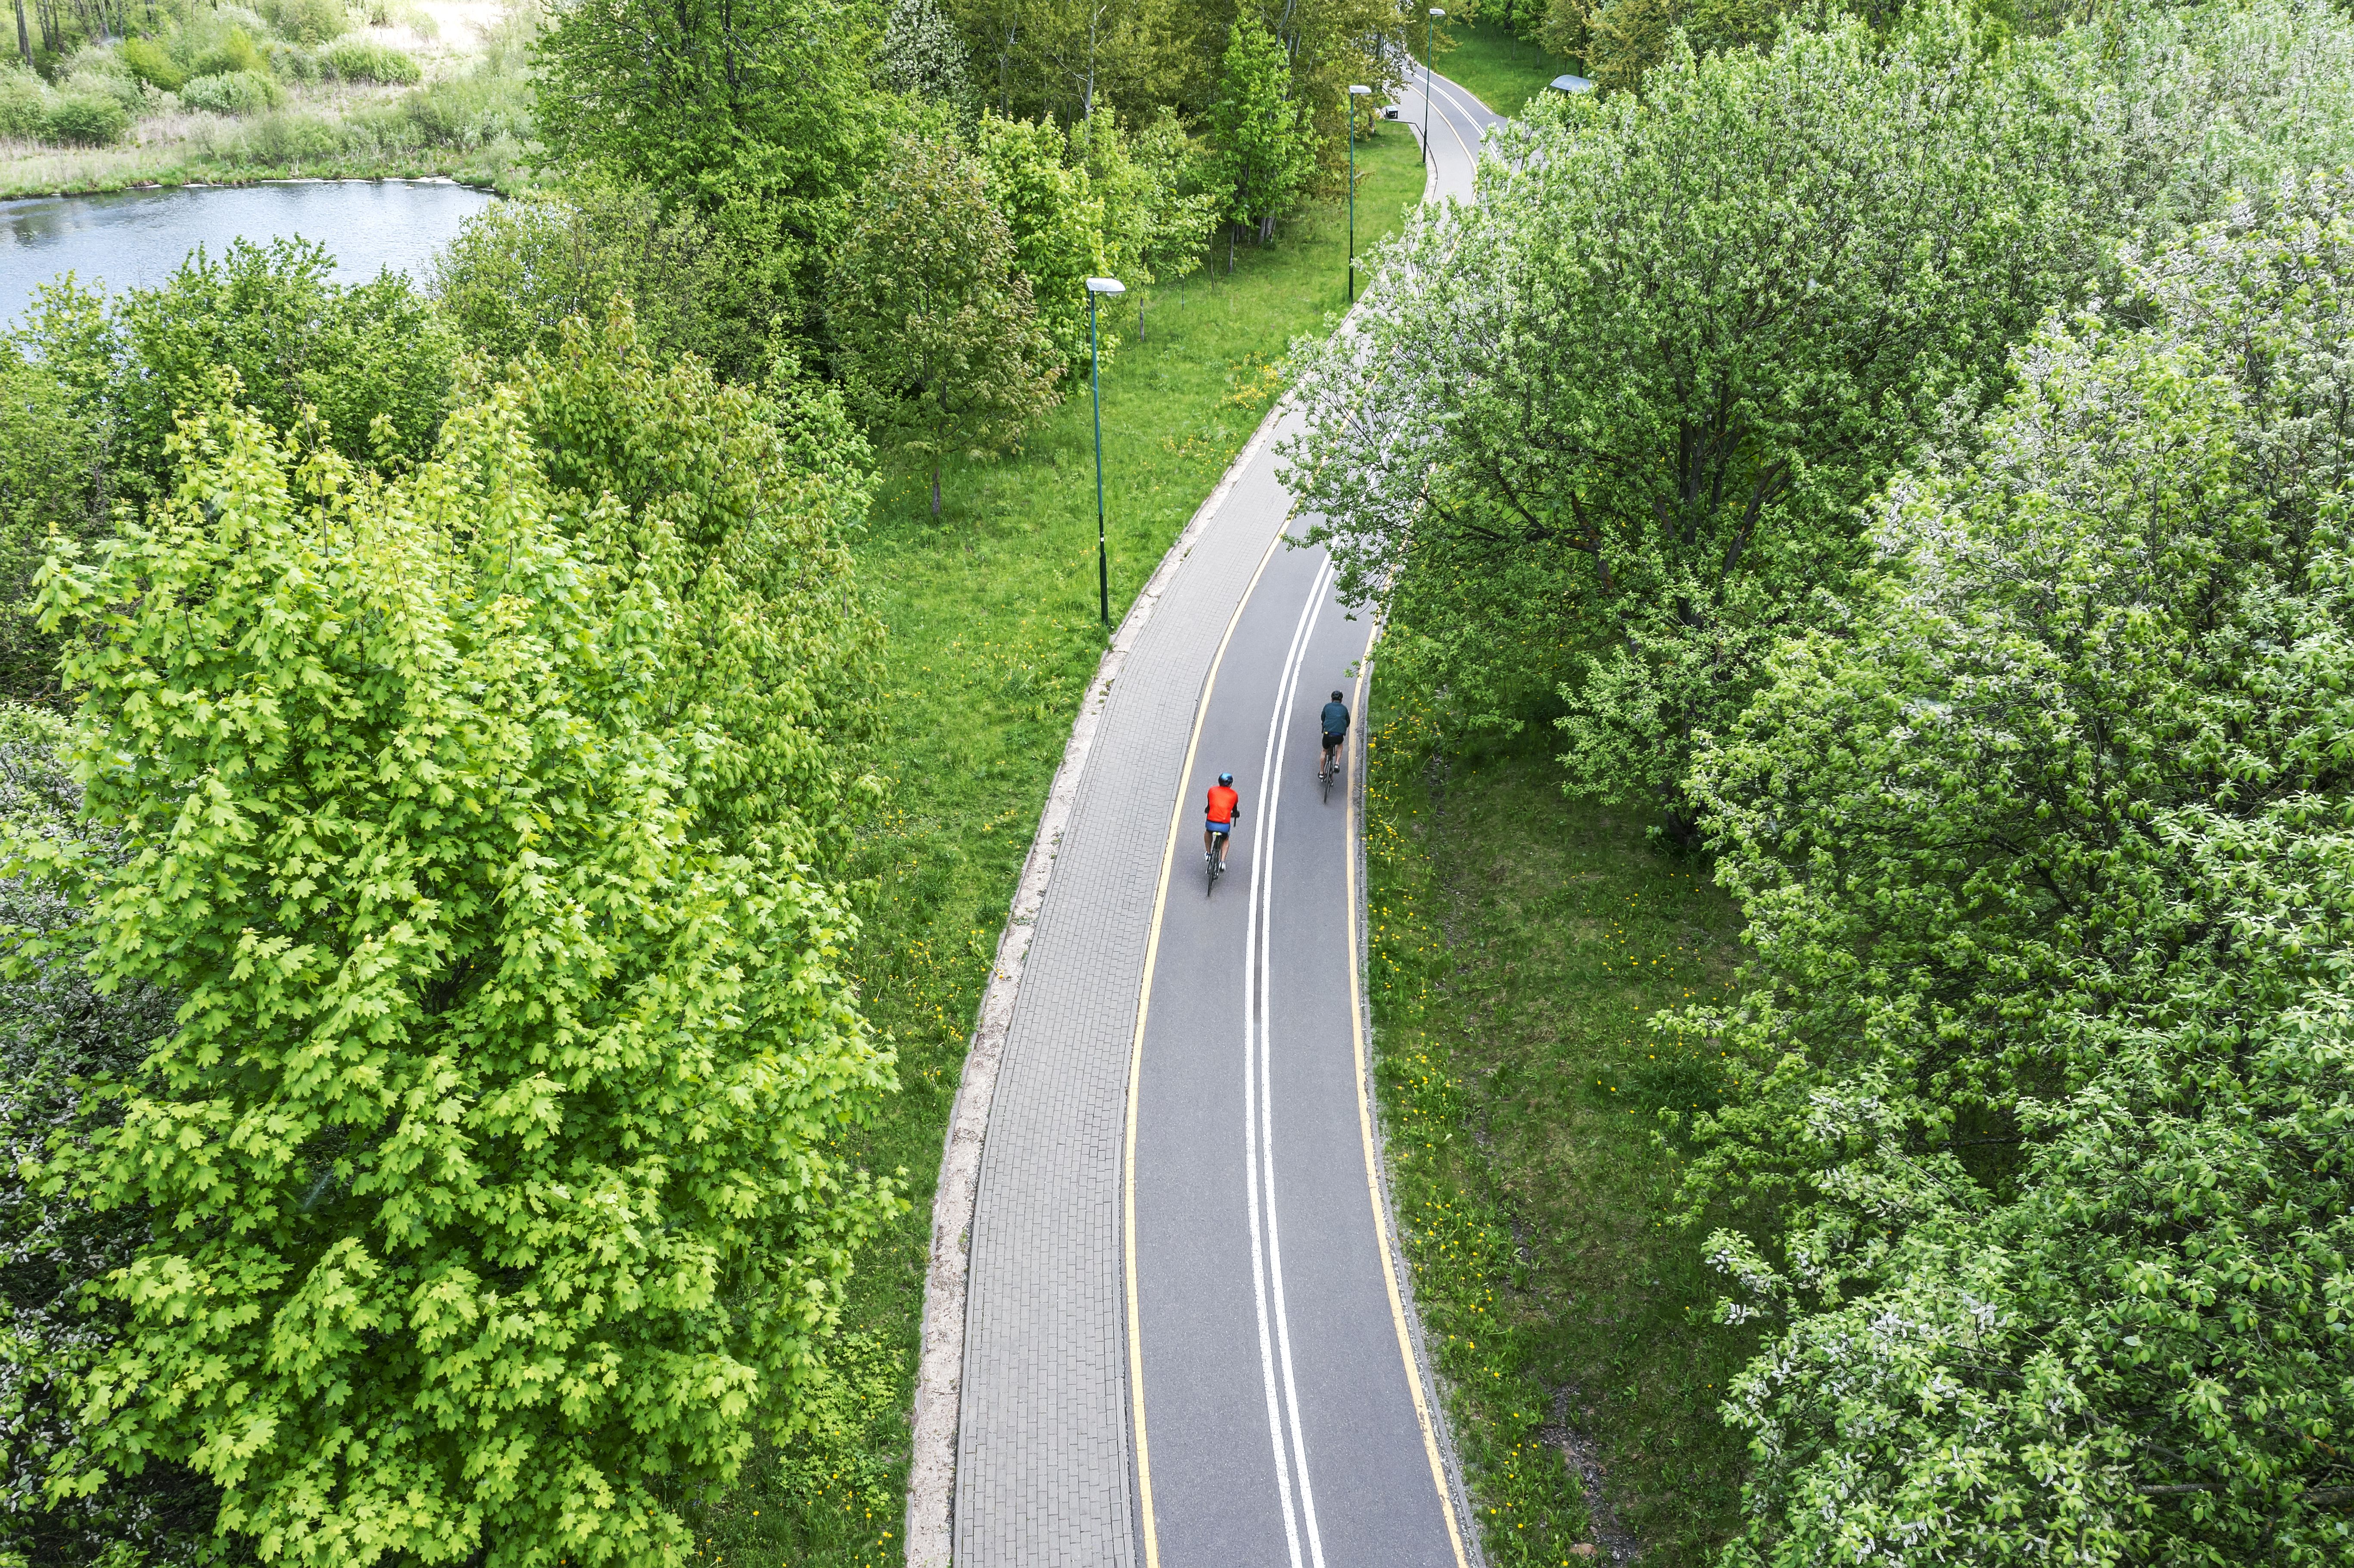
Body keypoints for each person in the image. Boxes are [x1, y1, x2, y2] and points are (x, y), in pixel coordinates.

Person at [1204, 772, 1240, 873]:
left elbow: (1209, 806)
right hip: (1224, 826)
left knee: (1208, 832)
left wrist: (1208, 810)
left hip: (1211, 823)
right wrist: (1236, 814)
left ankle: (1208, 853)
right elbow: (1234, 810)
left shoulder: (1212, 791)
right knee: (1226, 839)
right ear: (1230, 784)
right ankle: (1222, 862)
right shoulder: (1234, 795)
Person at [1320, 690, 1350, 781]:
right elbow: (1348, 722)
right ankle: (1337, 763)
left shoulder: (1327, 707)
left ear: (1332, 699)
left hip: (1327, 734)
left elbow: (1323, 718)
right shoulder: (1344, 709)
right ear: (1341, 700)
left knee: (1325, 751)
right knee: (1340, 744)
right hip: (1339, 735)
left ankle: (1321, 773)